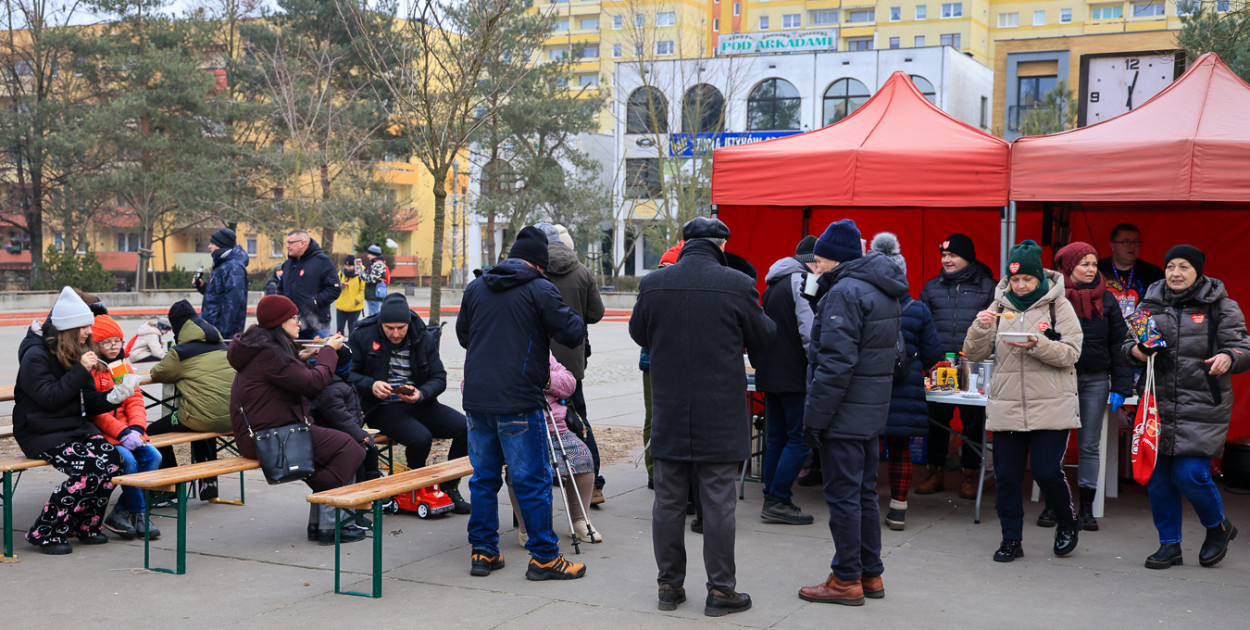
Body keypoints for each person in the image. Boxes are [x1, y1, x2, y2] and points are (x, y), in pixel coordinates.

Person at [629, 216, 775, 617]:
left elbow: (639, 334)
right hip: (720, 412)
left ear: (684, 243)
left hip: (671, 409)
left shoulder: (653, 284)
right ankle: (721, 591)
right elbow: (764, 335)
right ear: (722, 245)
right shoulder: (737, 284)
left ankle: (669, 586)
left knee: (669, 502)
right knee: (718, 505)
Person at [457, 226, 587, 581]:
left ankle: (483, 552)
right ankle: (545, 558)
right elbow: (572, 332)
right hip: (518, 398)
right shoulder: (540, 288)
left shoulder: (477, 286)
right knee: (531, 480)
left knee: (483, 480)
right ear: (540, 264)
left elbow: (464, 336)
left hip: (478, 399)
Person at [797, 219, 905, 606]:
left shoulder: (844, 292)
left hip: (843, 413)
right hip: (869, 410)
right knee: (862, 494)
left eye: (821, 261)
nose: (817, 268)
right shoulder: (881, 289)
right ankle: (869, 573)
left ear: (836, 260)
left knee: (844, 497)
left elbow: (834, 364)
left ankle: (846, 579)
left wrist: (814, 420)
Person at [1125, 245, 1250, 569]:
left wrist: (1230, 357)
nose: (1175, 273)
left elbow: (1242, 346)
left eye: (1183, 267)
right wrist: (1136, 352)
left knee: (1190, 474)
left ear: (1198, 271)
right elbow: (1128, 343)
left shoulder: (1220, 305)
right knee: (1158, 477)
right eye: (1170, 267)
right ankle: (1170, 545)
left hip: (1203, 403)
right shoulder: (1150, 302)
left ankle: (1218, 526)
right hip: (1158, 403)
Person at [964, 240, 1083, 563]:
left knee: (1046, 471)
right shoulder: (999, 304)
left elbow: (1072, 353)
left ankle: (1068, 523)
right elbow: (974, 355)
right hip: (1007, 403)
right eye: (1014, 279)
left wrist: (1037, 344)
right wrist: (979, 327)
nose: (1019, 285)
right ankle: (1010, 540)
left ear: (1039, 279)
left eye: (1026, 279)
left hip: (1052, 404)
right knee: (1006, 476)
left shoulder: (1060, 306)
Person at [227, 295, 367, 545]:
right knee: (351, 448)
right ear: (279, 322)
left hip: (265, 433)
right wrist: (327, 352)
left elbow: (283, 374)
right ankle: (331, 522)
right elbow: (315, 383)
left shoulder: (262, 346)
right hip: (270, 437)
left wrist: (302, 358)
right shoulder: (271, 354)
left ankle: (322, 523)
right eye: (294, 318)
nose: (299, 323)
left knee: (342, 448)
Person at [13, 287, 131, 555]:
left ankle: (85, 525)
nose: (90, 332)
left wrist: (113, 397)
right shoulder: (35, 356)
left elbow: (87, 400)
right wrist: (81, 370)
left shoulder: (75, 353)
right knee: (89, 471)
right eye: (84, 327)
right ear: (67, 329)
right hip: (40, 432)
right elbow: (50, 398)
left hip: (73, 428)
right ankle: (46, 531)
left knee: (114, 460)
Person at [348, 293, 469, 513]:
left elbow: (439, 378)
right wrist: (371, 384)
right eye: (389, 328)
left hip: (419, 402)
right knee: (420, 439)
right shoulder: (363, 335)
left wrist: (421, 393)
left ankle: (449, 487)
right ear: (380, 324)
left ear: (408, 323)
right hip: (382, 407)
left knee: (465, 428)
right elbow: (347, 374)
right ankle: (415, 489)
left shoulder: (422, 336)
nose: (395, 333)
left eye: (400, 328)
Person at [1052, 242, 1133, 532]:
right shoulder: (1053, 297)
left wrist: (1121, 385)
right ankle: (1055, 505)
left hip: (1096, 379)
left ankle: (1085, 508)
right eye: (1084, 263)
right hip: (1059, 378)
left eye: (1094, 264)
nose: (1091, 269)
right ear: (1069, 266)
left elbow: (1119, 343)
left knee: (1089, 445)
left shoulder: (1107, 299)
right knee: (1054, 443)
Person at [916, 233, 997, 500]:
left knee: (972, 422)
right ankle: (934, 473)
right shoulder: (932, 286)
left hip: (974, 364)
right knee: (937, 420)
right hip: (940, 364)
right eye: (944, 255)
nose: (946, 260)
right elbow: (921, 326)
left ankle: (970, 475)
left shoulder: (988, 287)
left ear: (968, 257)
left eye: (953, 255)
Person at [872, 233, 942, 532]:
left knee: (865, 449)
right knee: (901, 449)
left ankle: (863, 506)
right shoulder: (918, 309)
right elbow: (933, 354)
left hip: (870, 388)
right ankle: (898, 509)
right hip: (906, 390)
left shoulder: (866, 305)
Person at [536, 223, 607, 505]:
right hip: (570, 358)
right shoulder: (581, 270)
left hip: (535, 358)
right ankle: (595, 483)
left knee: (535, 423)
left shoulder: (531, 271)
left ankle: (544, 480)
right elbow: (597, 313)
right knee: (577, 420)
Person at [753, 234, 819, 526]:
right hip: (794, 376)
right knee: (800, 441)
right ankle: (778, 498)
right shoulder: (803, 282)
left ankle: (772, 496)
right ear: (812, 261)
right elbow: (809, 333)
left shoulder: (773, 284)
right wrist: (819, 367)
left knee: (777, 438)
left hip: (771, 375)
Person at [147, 300, 235, 501]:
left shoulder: (181, 353)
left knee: (152, 431)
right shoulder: (222, 345)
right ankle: (209, 485)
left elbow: (158, 373)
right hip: (232, 416)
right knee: (205, 421)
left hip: (202, 418)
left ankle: (170, 487)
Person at [509, 353, 601, 545]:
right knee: (519, 470)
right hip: (520, 426)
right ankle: (527, 529)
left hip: (555, 425)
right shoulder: (498, 348)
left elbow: (569, 382)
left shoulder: (542, 351)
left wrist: (546, 378)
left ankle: (579, 521)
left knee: (582, 456)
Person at [88, 314, 162, 541]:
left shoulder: (121, 367)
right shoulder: (92, 370)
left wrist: (138, 429)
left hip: (129, 432)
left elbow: (135, 401)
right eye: (106, 342)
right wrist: (122, 432)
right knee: (128, 461)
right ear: (96, 344)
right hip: (105, 435)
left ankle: (120, 512)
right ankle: (140, 514)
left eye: (117, 341)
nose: (113, 346)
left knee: (154, 457)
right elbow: (96, 413)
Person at [641, 242, 683, 488]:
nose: (663, 269)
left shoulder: (653, 286)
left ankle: (658, 470)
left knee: (656, 417)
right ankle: (653, 471)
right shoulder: (652, 288)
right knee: (654, 417)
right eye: (661, 265)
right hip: (654, 362)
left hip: (656, 361)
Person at [278, 229, 341, 338]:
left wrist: (314, 302)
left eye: (290, 243)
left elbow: (334, 289)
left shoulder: (323, 262)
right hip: (292, 324)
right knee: (293, 355)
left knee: (317, 355)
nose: (287, 246)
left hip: (317, 325)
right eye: (286, 243)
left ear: (303, 243)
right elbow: (281, 289)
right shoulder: (287, 265)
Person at [1099, 223, 1165, 318]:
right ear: (1112, 245)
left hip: (1141, 327)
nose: (1132, 246)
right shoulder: (1098, 270)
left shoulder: (1153, 273)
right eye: (1126, 242)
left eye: (1136, 242)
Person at [194, 227, 249, 339]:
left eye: (212, 243)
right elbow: (218, 295)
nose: (209, 247)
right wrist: (203, 287)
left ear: (221, 244)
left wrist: (222, 335)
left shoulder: (234, 268)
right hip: (213, 330)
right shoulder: (223, 265)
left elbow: (233, 303)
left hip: (222, 334)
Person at [336, 257, 366, 335]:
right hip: (341, 306)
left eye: (350, 266)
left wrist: (356, 301)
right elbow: (334, 286)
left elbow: (364, 290)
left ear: (354, 266)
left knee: (352, 330)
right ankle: (338, 346)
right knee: (339, 330)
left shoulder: (361, 275)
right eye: (346, 266)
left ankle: (352, 346)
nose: (347, 268)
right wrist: (341, 286)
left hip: (354, 307)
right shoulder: (341, 273)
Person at [362, 244, 389, 317]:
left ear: (374, 254)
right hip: (373, 295)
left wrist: (361, 274)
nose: (368, 256)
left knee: (374, 316)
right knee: (373, 315)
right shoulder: (375, 263)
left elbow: (372, 279)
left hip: (374, 295)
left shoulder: (378, 264)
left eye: (369, 254)